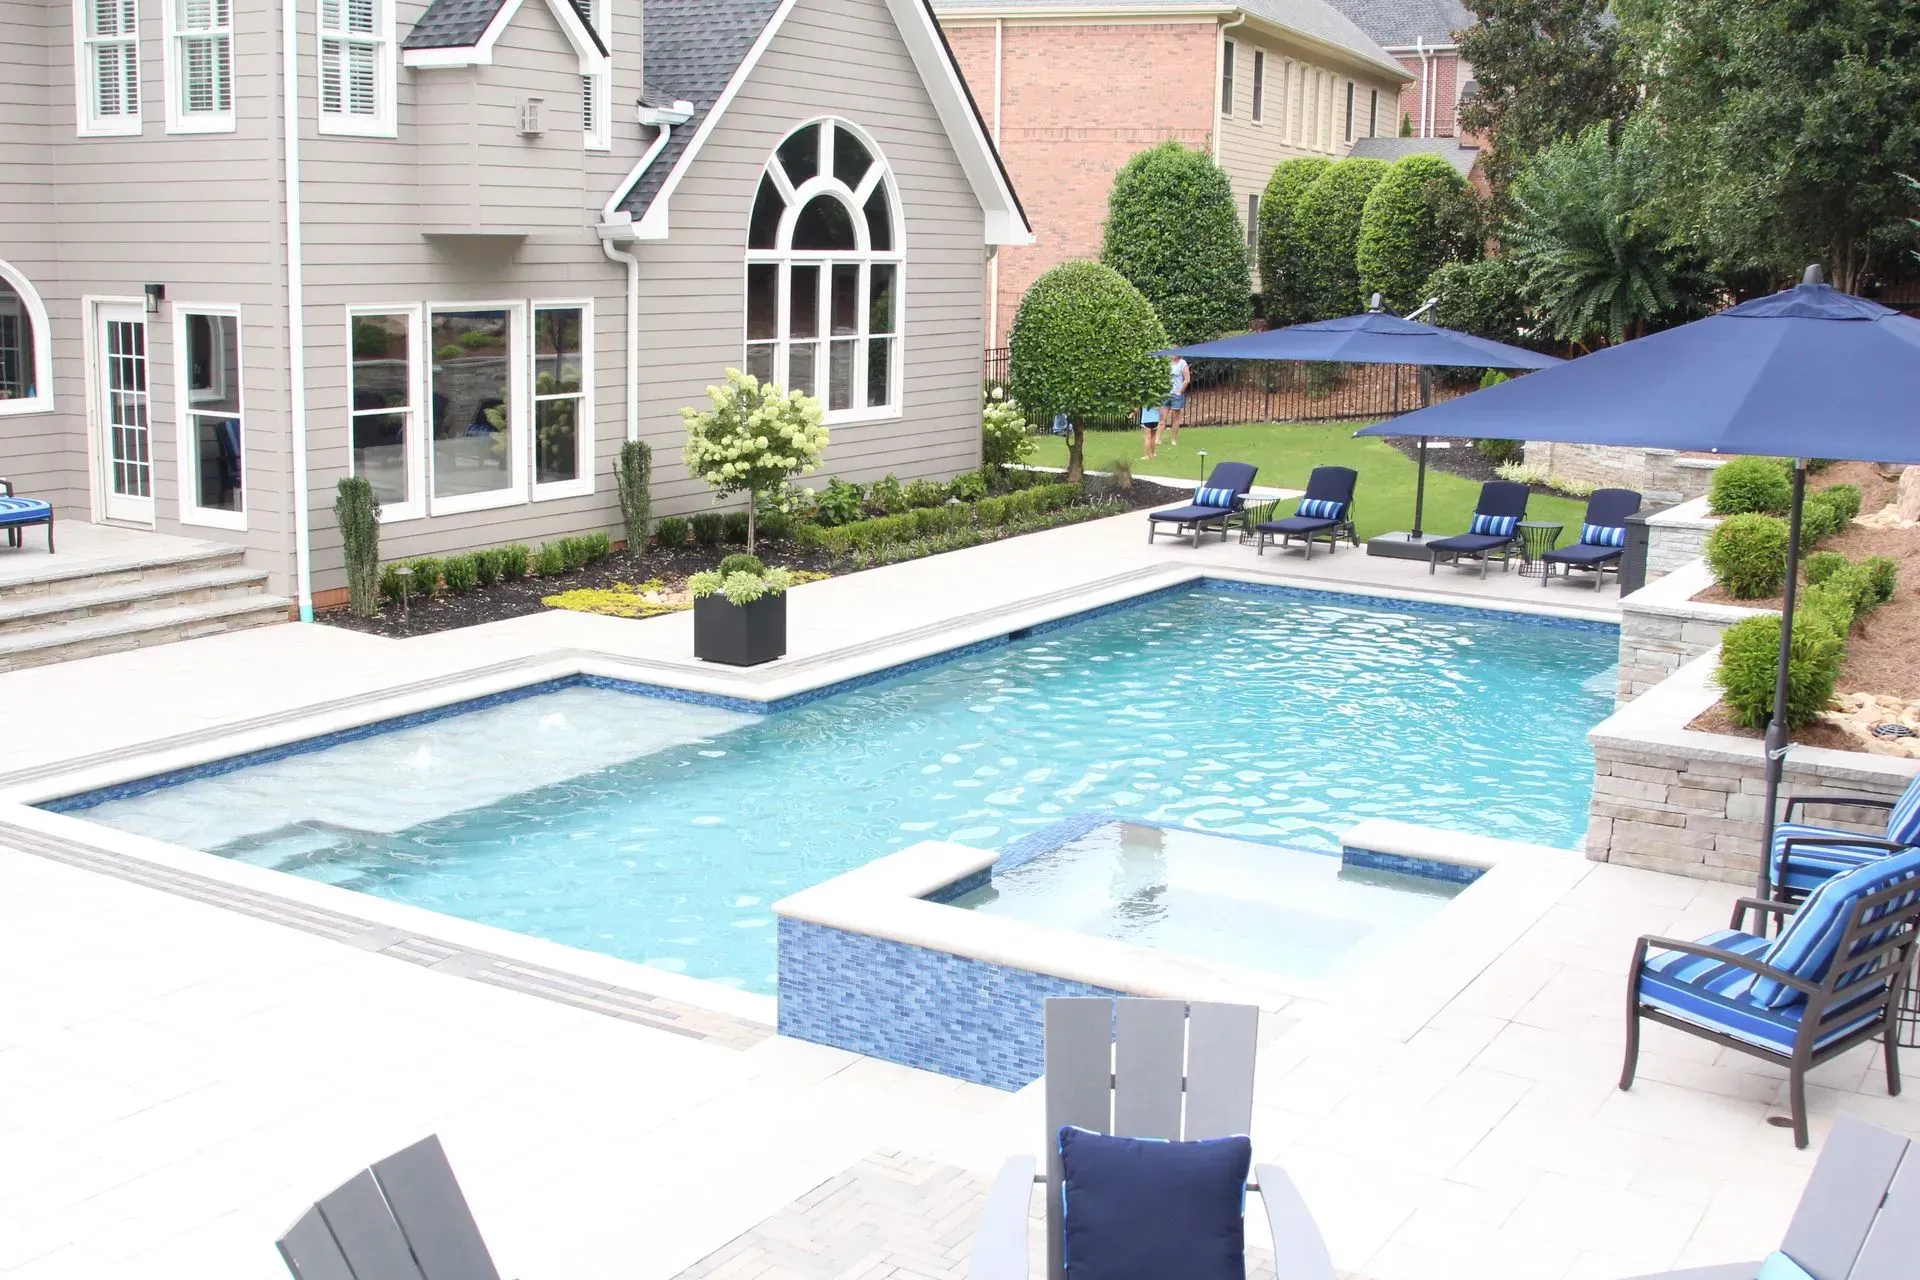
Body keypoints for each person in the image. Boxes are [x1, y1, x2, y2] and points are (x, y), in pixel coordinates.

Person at [1162, 356, 1190, 445]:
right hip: (1165, 393)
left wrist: (1180, 391)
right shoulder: (1165, 362)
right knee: (1163, 418)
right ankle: (1158, 439)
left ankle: (1173, 439)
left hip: (1176, 394)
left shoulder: (1182, 363)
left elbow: (1187, 379)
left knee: (1175, 418)